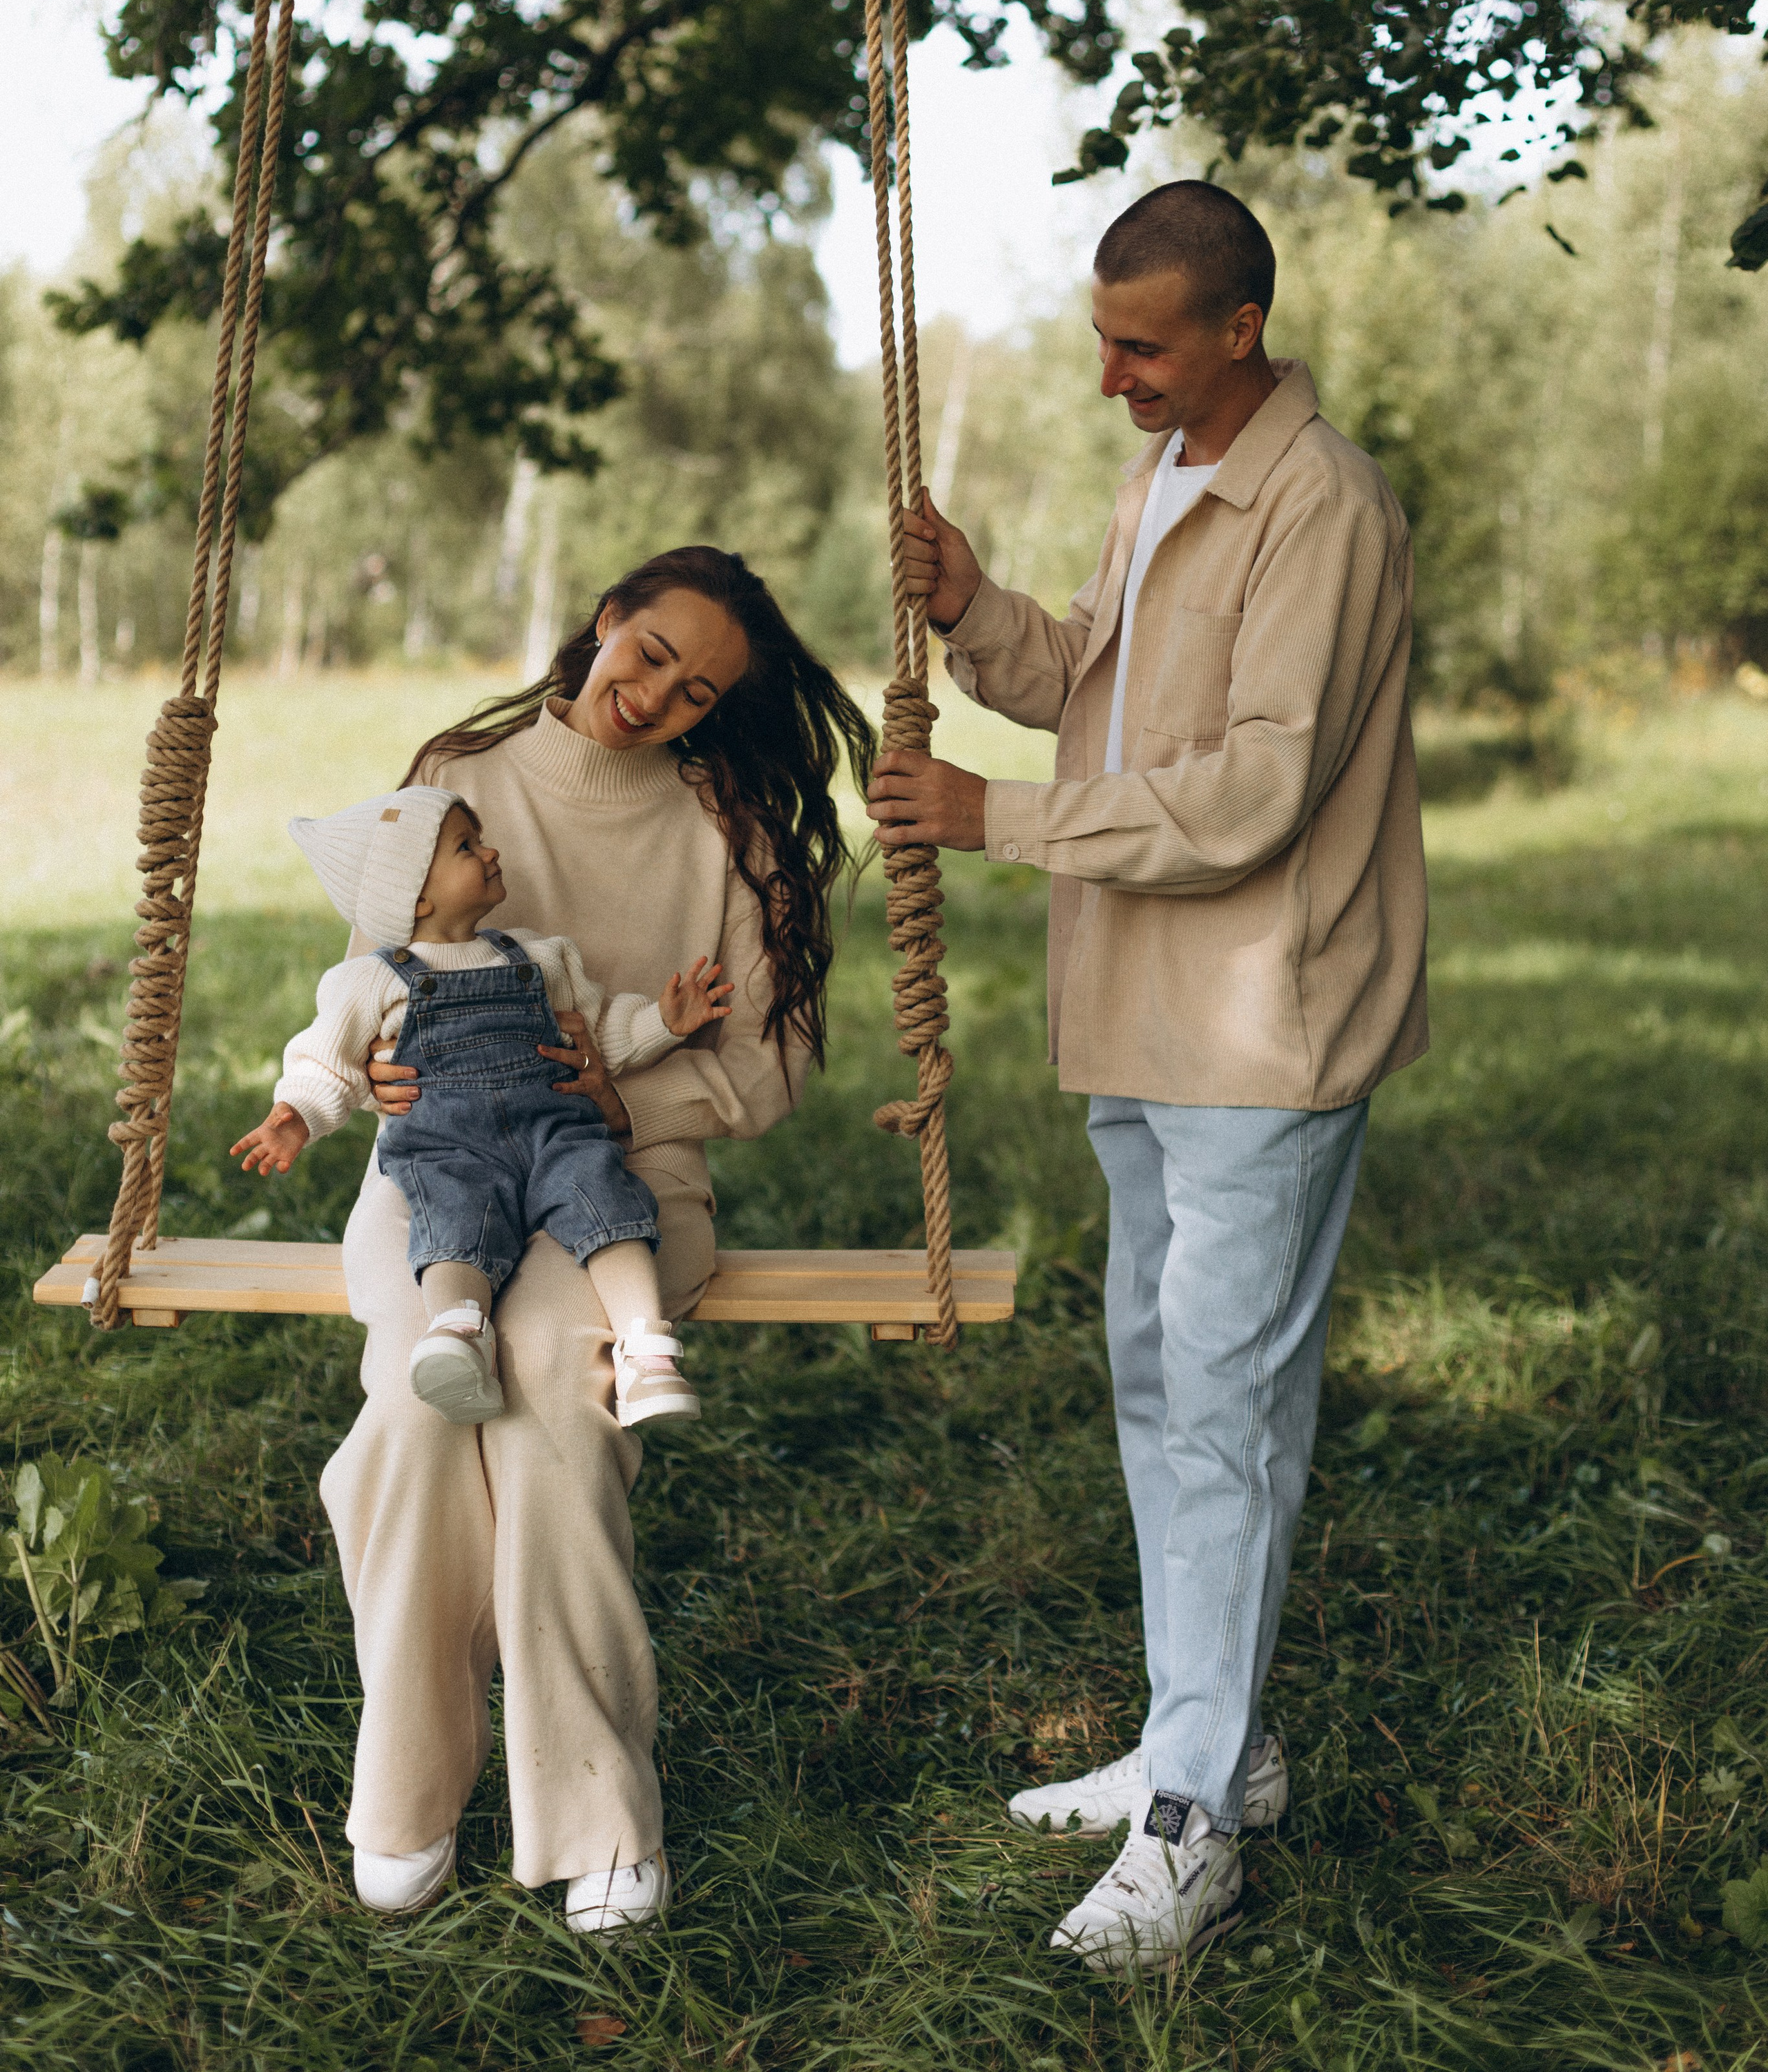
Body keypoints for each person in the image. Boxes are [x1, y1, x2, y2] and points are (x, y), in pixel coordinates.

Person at [867, 180, 1428, 1970]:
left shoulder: (1317, 507)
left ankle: (1193, 1833)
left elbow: (1255, 791)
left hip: (1266, 1022)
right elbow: (1099, 695)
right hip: (1141, 1007)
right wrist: (976, 615)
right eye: (1103, 337)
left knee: (1230, 1412)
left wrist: (991, 819)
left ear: (1239, 330)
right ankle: (1216, 1742)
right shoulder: (1170, 468)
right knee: (1157, 1376)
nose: (1111, 372)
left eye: (1143, 344)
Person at [318, 547, 872, 1934]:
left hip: (623, 1190)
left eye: (692, 693)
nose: (652, 698)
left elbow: (770, 1065)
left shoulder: (723, 828)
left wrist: (620, 1092)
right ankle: (406, 1785)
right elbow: (379, 962)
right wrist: (382, 1070)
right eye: (646, 654)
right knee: (417, 1400)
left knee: (557, 1403)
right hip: (438, 1176)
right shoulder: (465, 774)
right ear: (604, 622)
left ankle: (596, 1810)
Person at [231, 786, 738, 1429]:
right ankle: (457, 1335)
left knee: (610, 1201)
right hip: (449, 1146)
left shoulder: (540, 956)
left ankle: (648, 1354)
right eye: (466, 846)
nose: (490, 851)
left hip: (556, 1128)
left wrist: (663, 1023)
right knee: (452, 1223)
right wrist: (297, 1114)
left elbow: (597, 1033)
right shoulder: (371, 980)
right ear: (415, 894)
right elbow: (329, 1062)